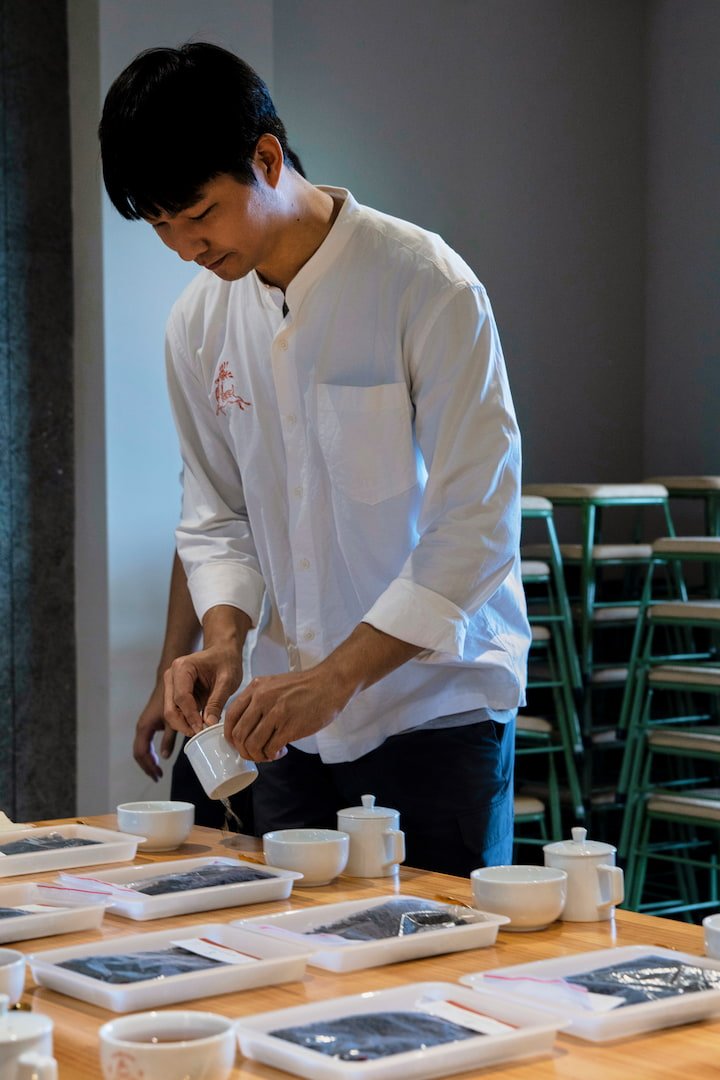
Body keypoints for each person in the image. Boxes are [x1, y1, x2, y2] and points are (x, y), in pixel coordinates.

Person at [99, 42, 531, 875]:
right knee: (280, 947)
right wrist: (225, 639)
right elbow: (217, 513)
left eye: (199, 214)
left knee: (437, 952)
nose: (185, 246)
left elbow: (476, 527)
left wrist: (337, 677)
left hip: (434, 716)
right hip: (283, 725)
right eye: (160, 226)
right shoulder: (198, 322)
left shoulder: (426, 284)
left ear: (267, 159)